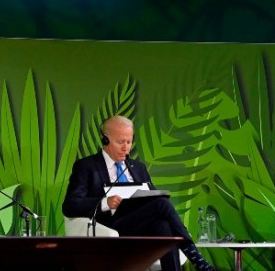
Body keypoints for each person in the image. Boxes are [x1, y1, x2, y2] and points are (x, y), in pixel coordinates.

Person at [62, 115, 216, 271]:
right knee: (162, 205)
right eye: (120, 142)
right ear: (105, 140)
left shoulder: (138, 167)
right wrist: (105, 202)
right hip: (111, 227)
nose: (126, 148)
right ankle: (196, 258)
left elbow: (154, 198)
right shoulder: (87, 166)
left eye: (129, 142)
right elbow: (70, 205)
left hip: (140, 224)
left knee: (162, 225)